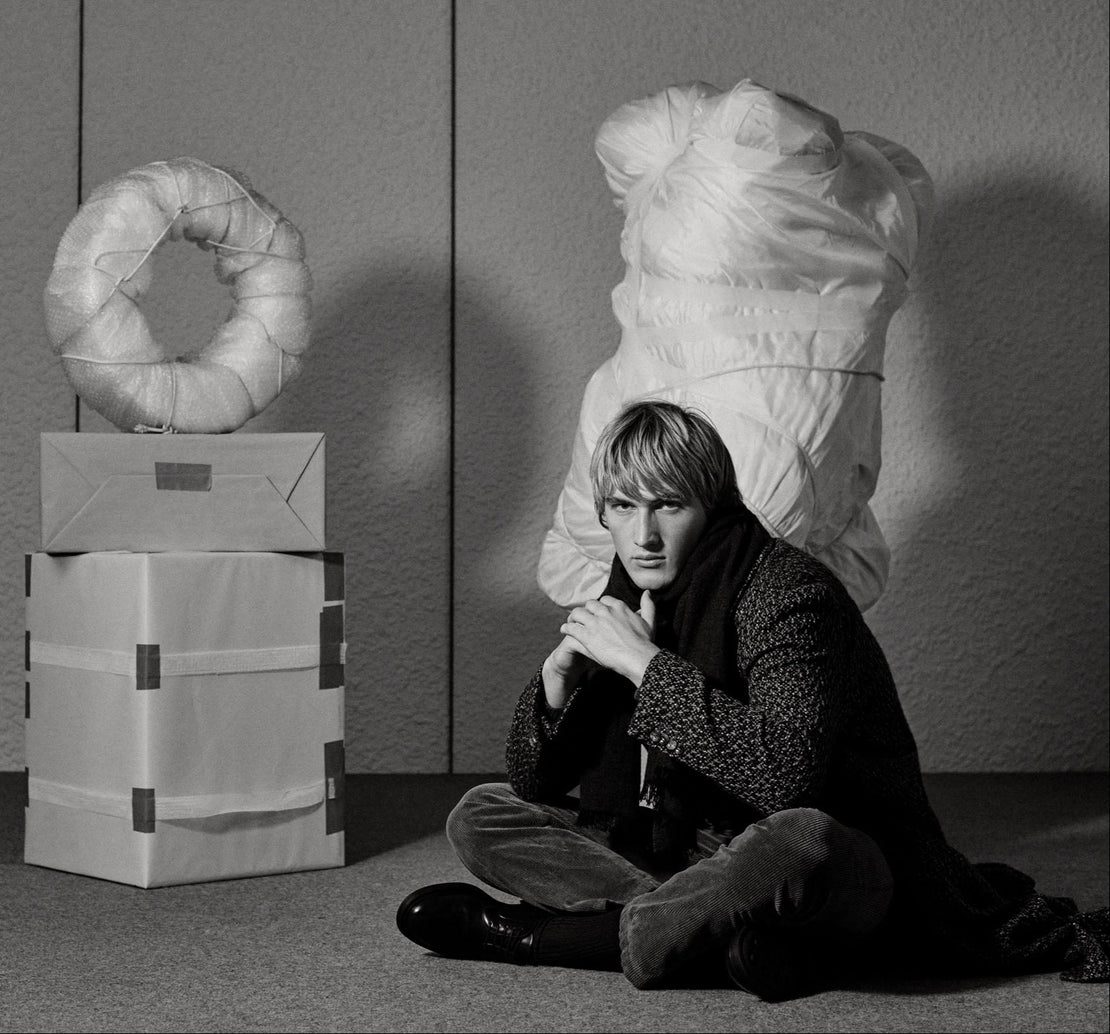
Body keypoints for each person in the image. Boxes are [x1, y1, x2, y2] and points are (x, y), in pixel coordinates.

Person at [396, 400, 1107, 998]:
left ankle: (545, 938)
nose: (644, 535)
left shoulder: (788, 594)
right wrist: (558, 688)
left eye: (668, 505)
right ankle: (724, 934)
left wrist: (644, 665)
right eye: (624, 506)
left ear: (711, 506)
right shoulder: (629, 596)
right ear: (604, 513)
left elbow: (784, 775)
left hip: (847, 857)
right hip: (688, 853)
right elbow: (535, 783)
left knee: (800, 843)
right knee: (482, 815)